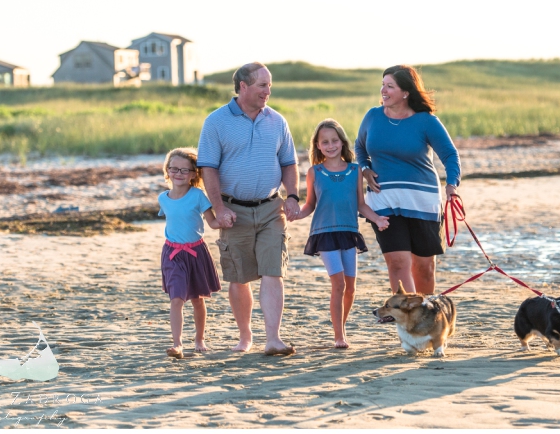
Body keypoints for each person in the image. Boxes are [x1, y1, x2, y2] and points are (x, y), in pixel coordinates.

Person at [197, 62, 300, 355]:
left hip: (271, 209)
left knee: (272, 271)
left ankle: (273, 339)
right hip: (233, 210)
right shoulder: (216, 122)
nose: (268, 91)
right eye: (262, 85)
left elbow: (289, 164)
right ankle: (245, 337)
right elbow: (208, 168)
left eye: (269, 85)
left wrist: (292, 196)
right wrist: (218, 208)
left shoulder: (277, 121)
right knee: (239, 277)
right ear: (243, 86)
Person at [355, 64, 461, 295]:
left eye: (389, 86)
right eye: (382, 85)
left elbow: (450, 155)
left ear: (405, 92)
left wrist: (452, 185)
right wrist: (364, 168)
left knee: (424, 267)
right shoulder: (373, 116)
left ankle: (425, 314)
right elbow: (359, 147)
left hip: (422, 202)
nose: (383, 90)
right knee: (398, 263)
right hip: (384, 200)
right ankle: (406, 318)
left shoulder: (426, 121)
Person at [292, 119, 390, 348]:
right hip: (324, 233)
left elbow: (361, 205)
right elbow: (310, 205)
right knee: (338, 284)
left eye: (334, 140)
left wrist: (377, 218)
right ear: (317, 145)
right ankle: (339, 337)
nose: (330, 145)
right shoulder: (314, 172)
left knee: (350, 287)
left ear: (342, 142)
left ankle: (341, 328)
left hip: (348, 232)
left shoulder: (355, 170)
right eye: (324, 141)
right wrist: (297, 214)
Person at [158, 147, 223, 359]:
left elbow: (212, 222)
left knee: (197, 299)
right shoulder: (163, 198)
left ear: (194, 174)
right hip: (172, 254)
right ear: (167, 171)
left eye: (185, 170)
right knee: (176, 298)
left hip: (196, 252)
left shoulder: (198, 196)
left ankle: (199, 339)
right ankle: (177, 344)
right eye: (174, 169)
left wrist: (226, 219)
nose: (179, 173)